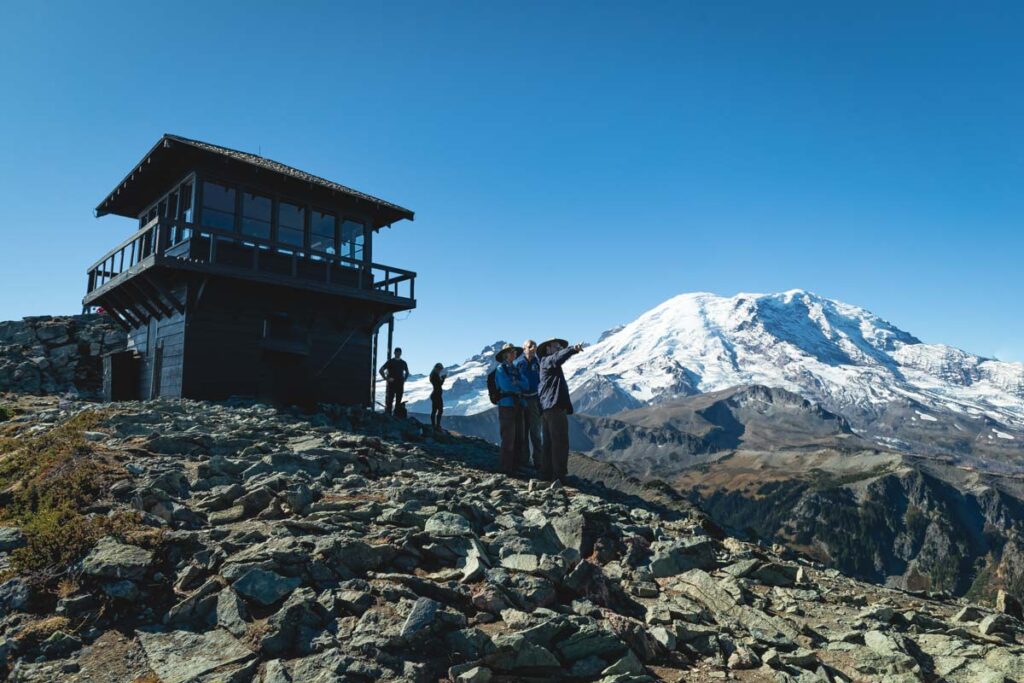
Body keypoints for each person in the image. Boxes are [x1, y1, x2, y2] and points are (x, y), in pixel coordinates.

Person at [537, 338, 584, 482]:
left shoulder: (549, 365)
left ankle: (547, 474)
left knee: (549, 442)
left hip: (548, 408)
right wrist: (572, 349)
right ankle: (559, 476)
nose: (558, 348)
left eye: (559, 346)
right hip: (555, 407)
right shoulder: (547, 361)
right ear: (548, 349)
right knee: (560, 442)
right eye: (556, 346)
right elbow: (558, 357)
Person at [494, 343, 528, 475]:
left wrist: (517, 383)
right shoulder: (500, 369)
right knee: (508, 437)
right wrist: (518, 385)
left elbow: (526, 384)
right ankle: (506, 468)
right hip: (506, 406)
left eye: (514, 351)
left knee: (519, 436)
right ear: (506, 354)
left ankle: (516, 466)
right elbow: (506, 386)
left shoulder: (515, 369)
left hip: (517, 405)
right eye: (512, 351)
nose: (514, 353)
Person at [515, 339, 543, 469]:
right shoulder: (519, 364)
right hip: (522, 400)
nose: (533, 349)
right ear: (524, 348)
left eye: (535, 347)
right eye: (530, 346)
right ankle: (524, 460)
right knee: (523, 432)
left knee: (536, 432)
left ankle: (539, 461)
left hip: (534, 400)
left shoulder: (538, 363)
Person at [379, 347, 409, 416]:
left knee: (398, 402)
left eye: (399, 352)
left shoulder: (403, 363)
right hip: (392, 384)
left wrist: (404, 380)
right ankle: (388, 417)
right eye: (397, 352)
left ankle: (396, 417)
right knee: (390, 401)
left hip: (400, 384)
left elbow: (407, 372)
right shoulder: (390, 361)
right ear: (394, 353)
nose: (398, 354)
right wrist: (386, 378)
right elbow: (381, 370)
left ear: (401, 353)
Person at [429, 362, 446, 430]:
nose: (440, 370)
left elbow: (439, 384)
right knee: (439, 410)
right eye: (439, 369)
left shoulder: (434, 374)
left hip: (436, 395)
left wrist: (442, 378)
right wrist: (443, 378)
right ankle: (436, 425)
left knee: (435, 410)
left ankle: (434, 425)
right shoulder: (434, 375)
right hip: (436, 395)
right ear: (436, 368)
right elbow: (439, 384)